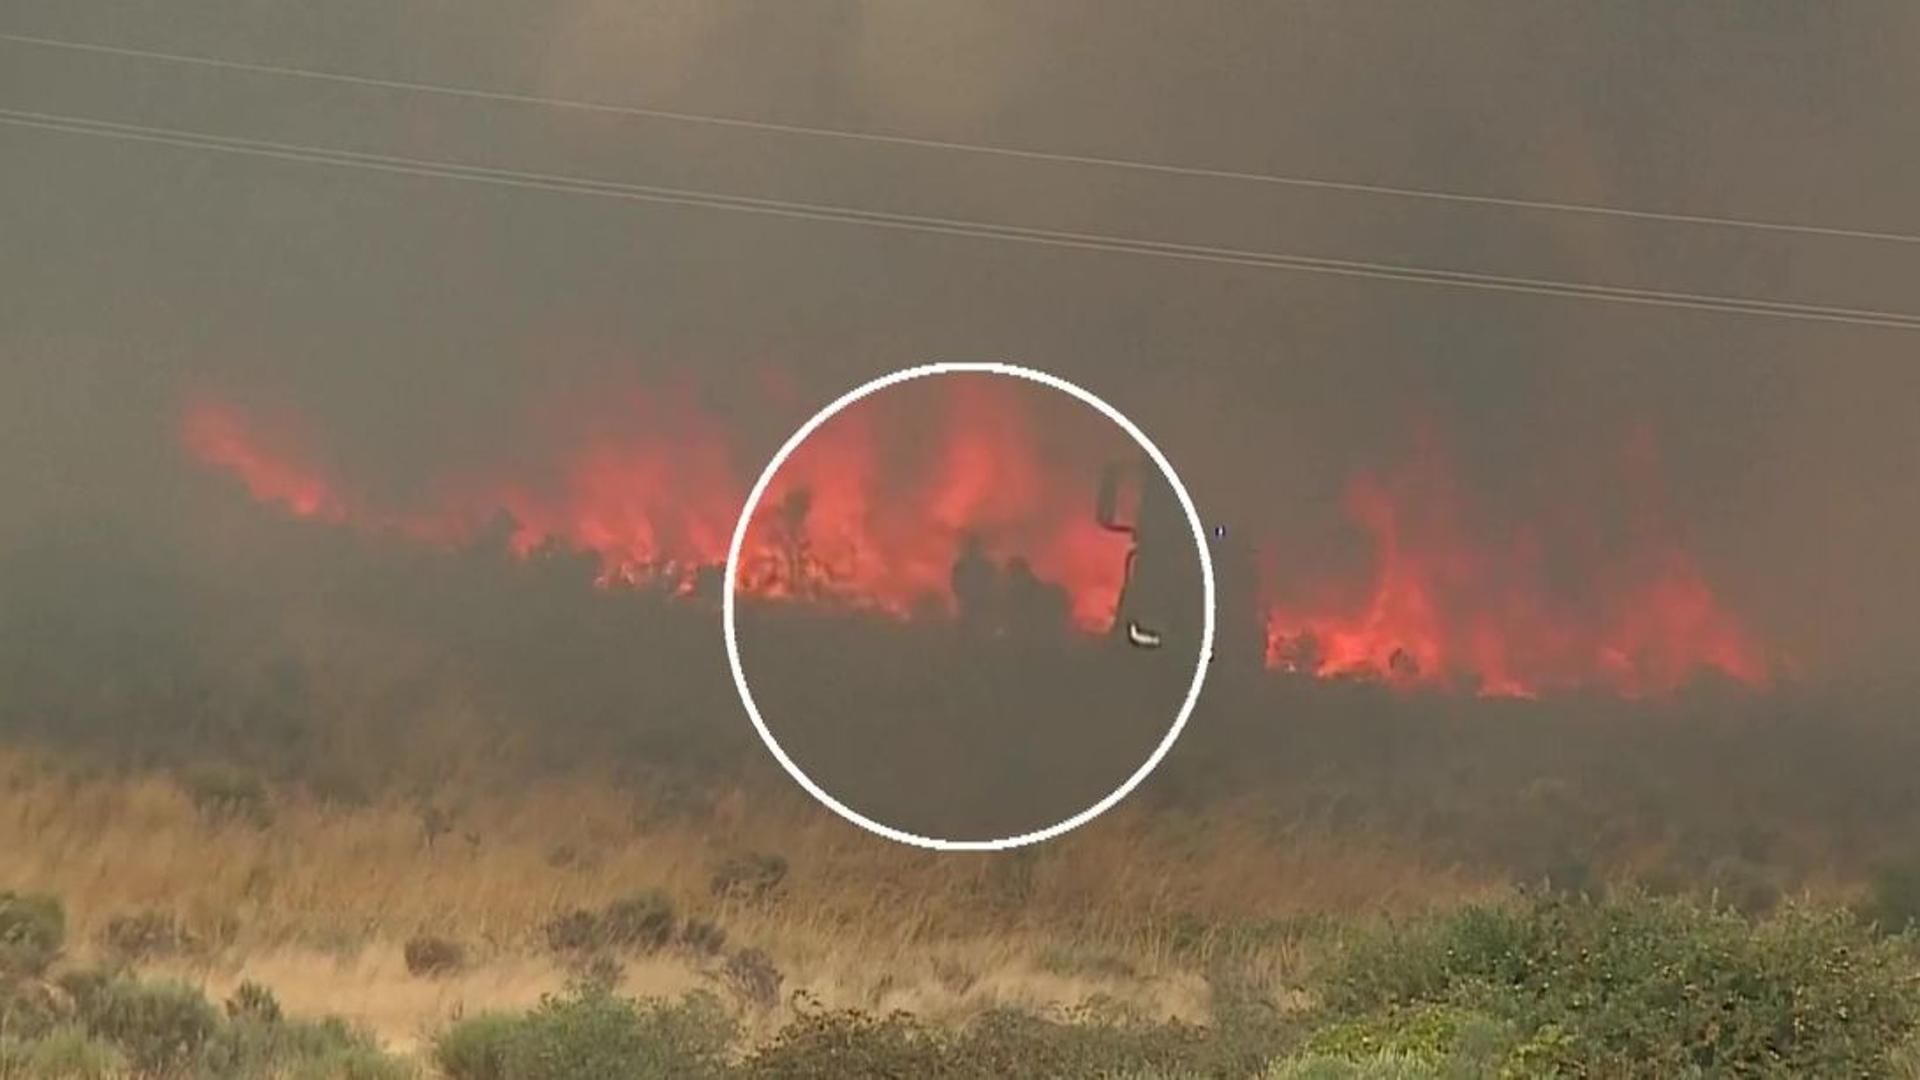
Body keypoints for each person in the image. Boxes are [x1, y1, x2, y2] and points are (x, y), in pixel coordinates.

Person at [950, 532, 1000, 633]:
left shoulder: (962, 566)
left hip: (977, 608)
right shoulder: (987, 565)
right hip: (976, 608)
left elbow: (956, 586)